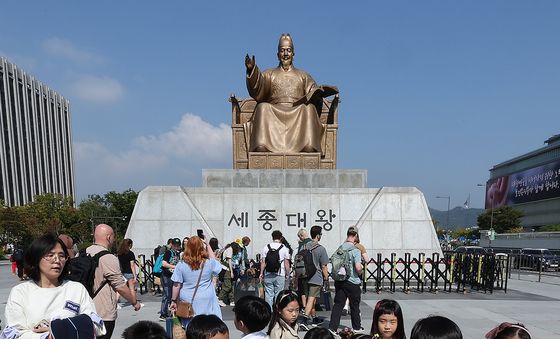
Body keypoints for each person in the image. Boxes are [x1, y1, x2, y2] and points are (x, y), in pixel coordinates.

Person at [244, 33, 338, 153]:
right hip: (274, 110)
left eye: (288, 50)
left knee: (308, 109)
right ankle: (262, 145)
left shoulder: (303, 75)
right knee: (262, 107)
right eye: (282, 51)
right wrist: (252, 70)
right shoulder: (269, 73)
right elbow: (258, 88)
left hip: (298, 110)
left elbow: (312, 93)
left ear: (293, 54)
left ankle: (308, 146)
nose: (286, 54)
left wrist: (318, 94)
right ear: (278, 55)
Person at [2, 233, 106, 338]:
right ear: (36, 258)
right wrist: (47, 337)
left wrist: (58, 331)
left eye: (61, 256)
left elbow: (96, 325)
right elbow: (14, 333)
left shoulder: (76, 289)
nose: (57, 260)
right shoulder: (20, 292)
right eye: (50, 255)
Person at [87, 224, 141, 339]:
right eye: (113, 237)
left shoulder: (83, 253)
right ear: (108, 237)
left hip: (85, 309)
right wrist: (134, 301)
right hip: (103, 311)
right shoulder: (108, 257)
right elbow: (120, 286)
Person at [169, 236, 223, 325]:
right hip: (206, 297)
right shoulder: (209, 262)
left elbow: (176, 285)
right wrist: (208, 245)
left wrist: (173, 300)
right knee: (207, 324)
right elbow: (216, 262)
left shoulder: (181, 264)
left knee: (190, 324)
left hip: (187, 299)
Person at [329, 226, 364, 334]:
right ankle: (356, 327)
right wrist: (361, 270)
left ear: (347, 235)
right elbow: (358, 267)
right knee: (354, 305)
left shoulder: (340, 248)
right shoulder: (355, 250)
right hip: (352, 282)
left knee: (338, 304)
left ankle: (332, 328)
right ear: (356, 236)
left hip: (339, 280)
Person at [300, 226, 329, 328]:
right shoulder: (321, 249)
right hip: (316, 277)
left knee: (311, 298)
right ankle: (305, 319)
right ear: (318, 235)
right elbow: (324, 266)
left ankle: (314, 317)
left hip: (304, 276)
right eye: (320, 234)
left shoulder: (304, 246)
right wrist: (326, 277)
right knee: (311, 298)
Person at [260, 230, 291, 306]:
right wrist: (287, 274)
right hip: (280, 274)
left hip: (268, 273)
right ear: (280, 238)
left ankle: (269, 312)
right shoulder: (284, 248)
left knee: (268, 294)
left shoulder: (266, 247)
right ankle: (277, 312)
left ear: (272, 237)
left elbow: (263, 262)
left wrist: (261, 273)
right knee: (279, 294)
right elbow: (286, 263)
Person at [343, 234, 369, 316]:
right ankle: (354, 310)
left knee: (346, 291)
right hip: (355, 273)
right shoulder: (360, 247)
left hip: (344, 272)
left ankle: (346, 306)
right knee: (355, 293)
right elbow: (366, 259)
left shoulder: (344, 246)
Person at [159, 238, 181, 321]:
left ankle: (171, 312)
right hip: (166, 275)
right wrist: (175, 267)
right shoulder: (168, 252)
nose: (176, 247)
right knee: (167, 294)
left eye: (178, 245)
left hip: (173, 275)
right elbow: (164, 263)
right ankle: (163, 313)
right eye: (175, 245)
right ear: (172, 245)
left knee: (172, 295)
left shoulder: (177, 253)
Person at [218, 242, 241, 307]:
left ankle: (231, 300)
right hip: (226, 270)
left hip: (224, 269)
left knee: (230, 284)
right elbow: (229, 261)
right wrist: (231, 272)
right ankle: (220, 298)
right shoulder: (230, 249)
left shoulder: (227, 248)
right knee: (228, 286)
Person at [117, 238, 137, 305]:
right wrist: (135, 275)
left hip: (122, 272)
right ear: (130, 244)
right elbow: (132, 265)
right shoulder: (130, 253)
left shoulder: (120, 253)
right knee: (132, 288)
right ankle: (134, 302)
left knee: (120, 288)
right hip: (129, 272)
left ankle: (115, 302)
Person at [296, 229, 312, 307]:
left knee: (302, 290)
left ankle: (304, 306)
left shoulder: (301, 245)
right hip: (310, 270)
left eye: (299, 237)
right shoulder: (312, 243)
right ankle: (310, 307)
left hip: (301, 270)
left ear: (302, 236)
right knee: (310, 290)